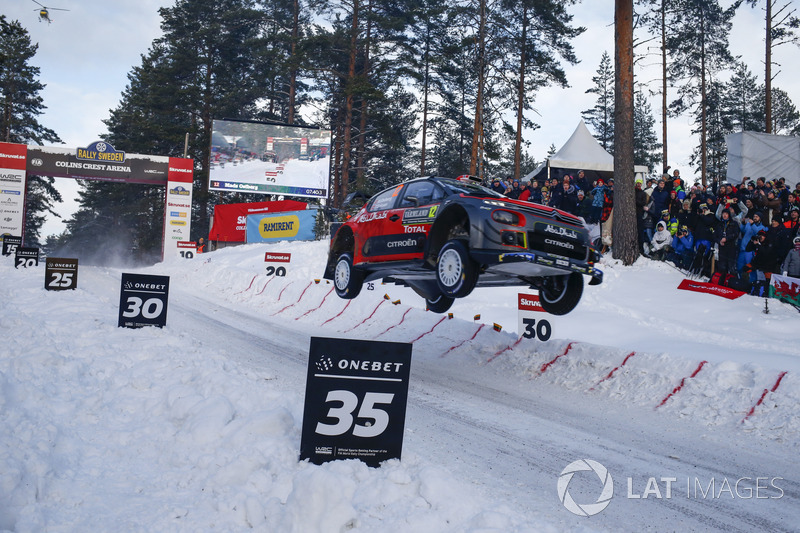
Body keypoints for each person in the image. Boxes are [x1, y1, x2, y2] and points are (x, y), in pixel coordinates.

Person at [715, 209, 739, 275]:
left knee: (731, 266)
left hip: (731, 247)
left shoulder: (734, 223)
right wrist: (719, 241)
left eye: (726, 214)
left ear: (729, 215)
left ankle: (731, 281)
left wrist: (727, 239)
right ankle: (722, 280)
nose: (724, 215)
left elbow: (736, 234)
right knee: (722, 266)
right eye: (723, 214)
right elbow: (714, 236)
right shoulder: (719, 224)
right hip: (722, 247)